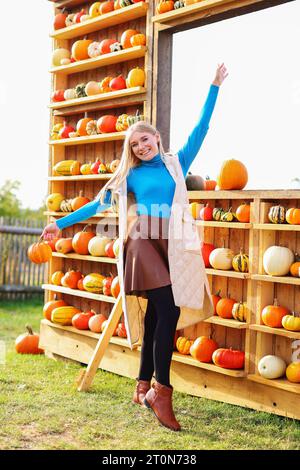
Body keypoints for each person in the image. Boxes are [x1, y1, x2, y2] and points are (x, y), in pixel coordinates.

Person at [42, 63, 228, 432]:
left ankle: (142, 385)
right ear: (132, 151)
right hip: (142, 242)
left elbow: (201, 129)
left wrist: (214, 86)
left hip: (170, 243)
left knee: (159, 317)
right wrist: (58, 223)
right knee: (169, 311)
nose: (141, 147)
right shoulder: (129, 175)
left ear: (156, 138)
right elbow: (98, 205)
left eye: (145, 140)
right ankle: (161, 391)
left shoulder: (177, 164)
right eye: (135, 145)